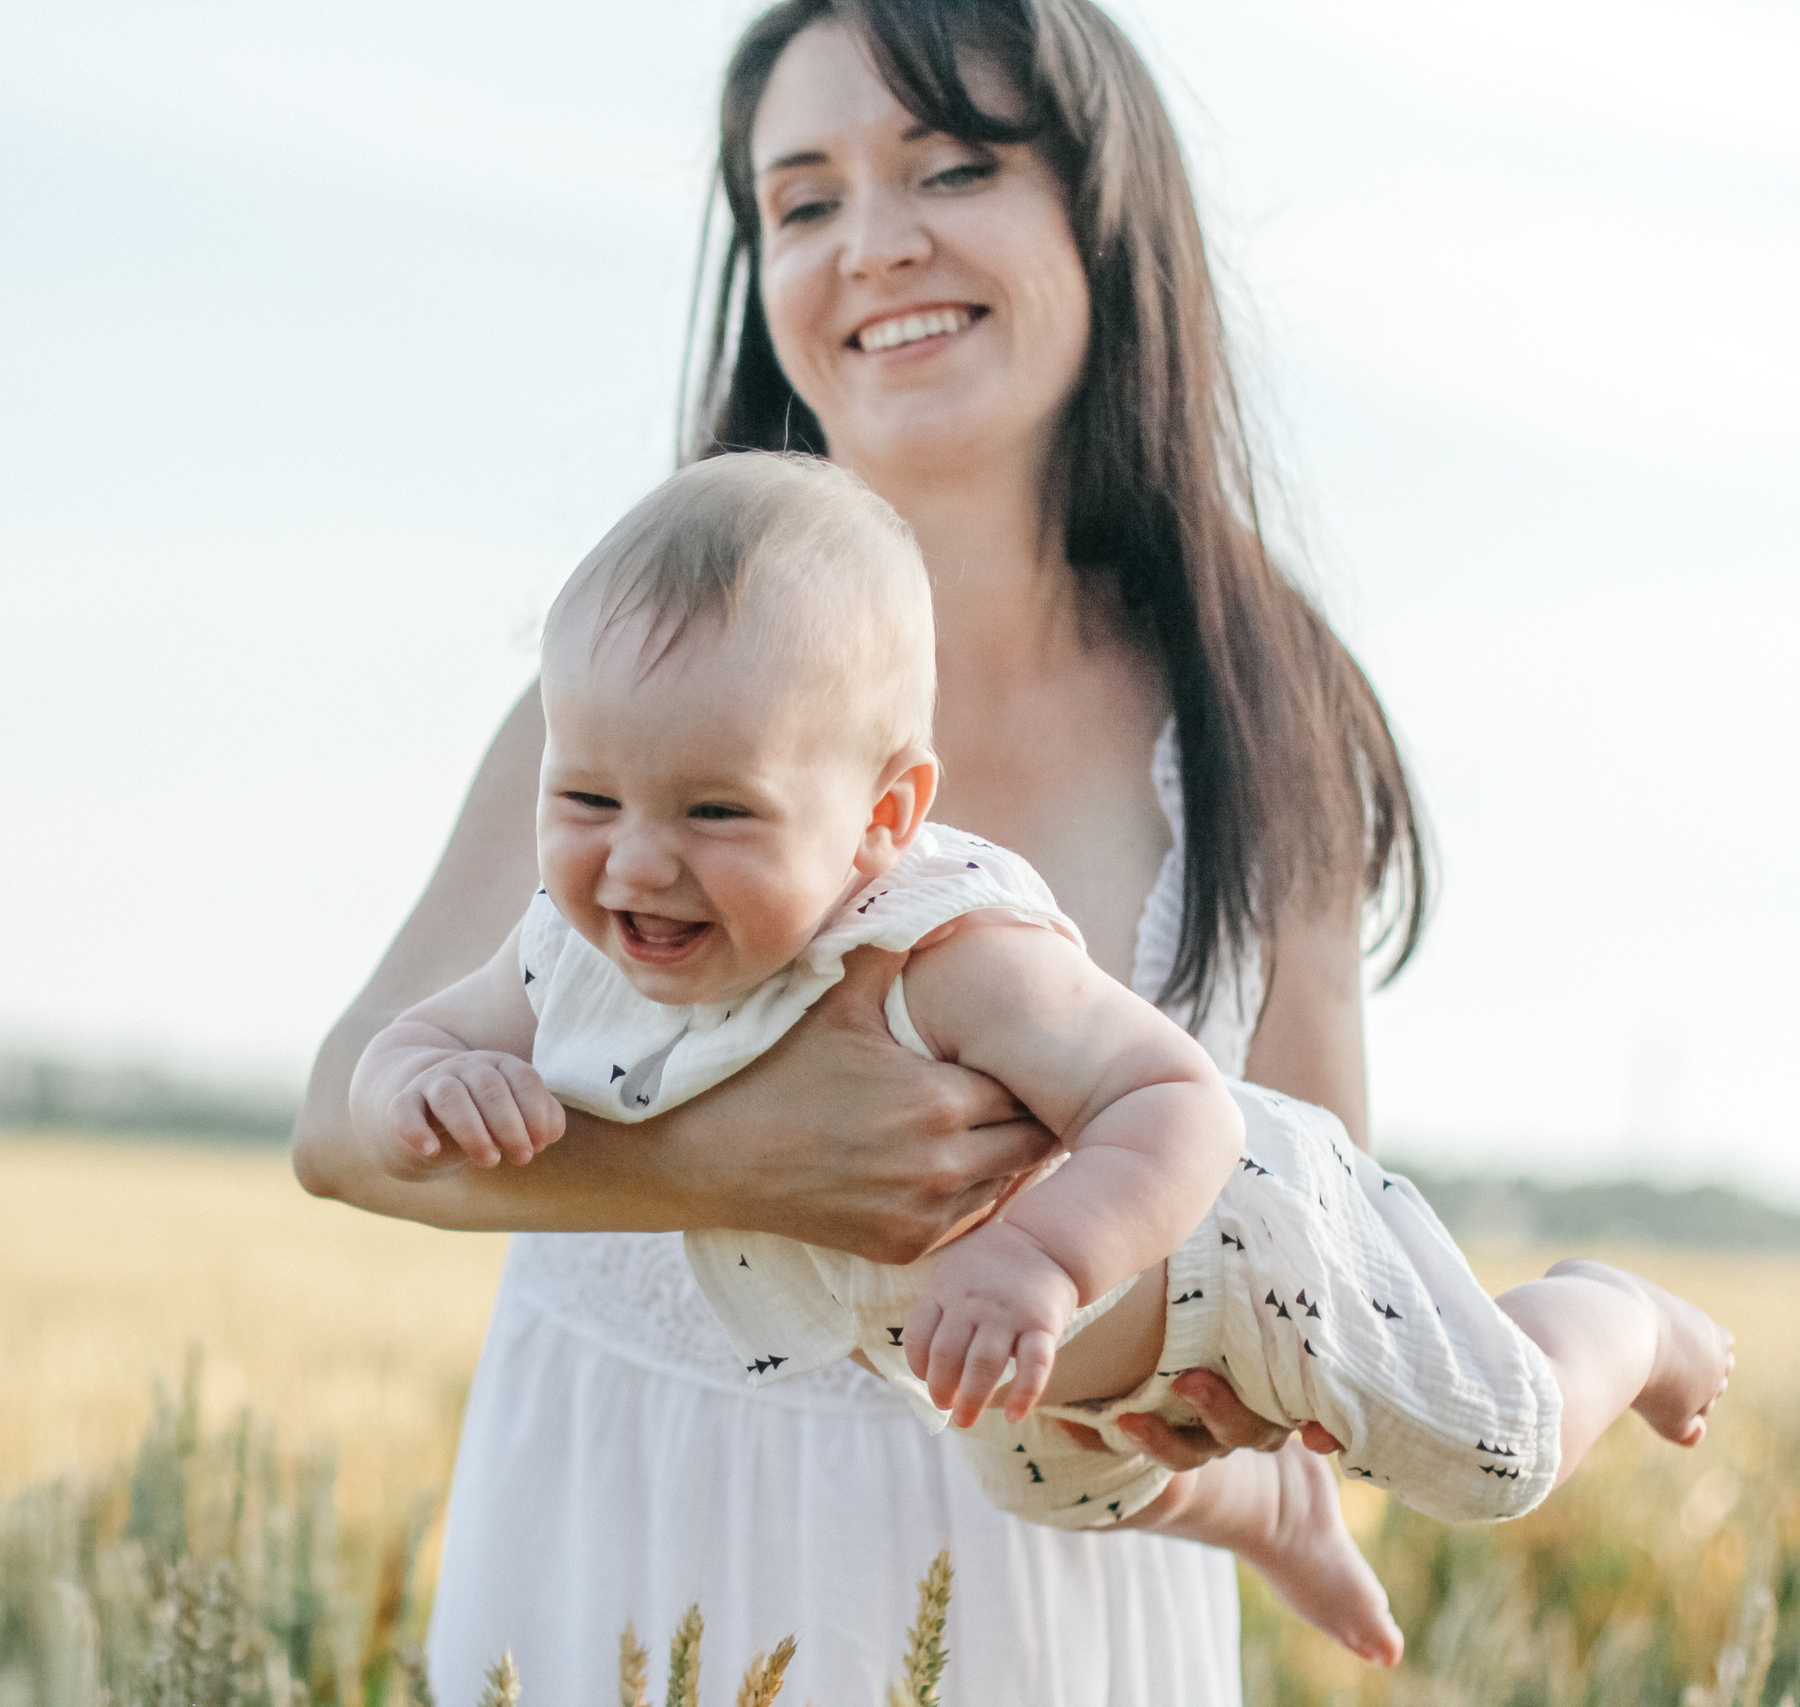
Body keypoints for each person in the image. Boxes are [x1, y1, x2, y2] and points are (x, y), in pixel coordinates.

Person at [293, 0, 1466, 1697]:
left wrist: (1224, 1420)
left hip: (1049, 1602)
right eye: (805, 200)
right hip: (632, 1542)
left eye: (952, 166)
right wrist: (727, 1161)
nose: (876, 244)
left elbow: (1316, 1211)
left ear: (1100, 211)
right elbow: (344, 1121)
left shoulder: (1249, 718)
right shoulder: (628, 730)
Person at [345, 451, 1733, 1671]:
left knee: (1492, 1448)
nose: (638, 858)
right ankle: (1267, 1518)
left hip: (1242, 1245)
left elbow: (1176, 1100)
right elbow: (407, 1044)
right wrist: (423, 1084)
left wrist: (1043, 1260)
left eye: (718, 810)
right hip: (1025, 1387)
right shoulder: (575, 947)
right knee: (1043, 1481)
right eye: (587, 797)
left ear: (883, 817)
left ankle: (1619, 1321)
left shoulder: (939, 948)